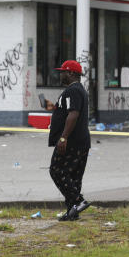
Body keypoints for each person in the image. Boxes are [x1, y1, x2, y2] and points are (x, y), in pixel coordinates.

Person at [45, 59, 91, 221]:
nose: (61, 74)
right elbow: (68, 111)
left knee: (56, 171)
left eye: (63, 71)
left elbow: (73, 114)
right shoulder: (78, 90)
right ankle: (73, 211)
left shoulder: (73, 91)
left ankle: (78, 201)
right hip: (81, 142)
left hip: (71, 142)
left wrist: (63, 138)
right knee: (73, 177)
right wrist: (54, 108)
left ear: (71, 73)